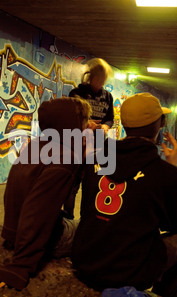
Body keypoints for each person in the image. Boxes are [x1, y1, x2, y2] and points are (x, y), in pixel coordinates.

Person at [71, 92, 177, 297]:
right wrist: (172, 171)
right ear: (161, 124)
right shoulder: (166, 173)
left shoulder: (95, 158)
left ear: (124, 124)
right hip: (131, 272)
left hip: (84, 261)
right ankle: (163, 296)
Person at [0, 97, 92, 290]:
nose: (86, 128)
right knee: (90, 227)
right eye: (83, 122)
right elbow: (37, 212)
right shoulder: (64, 158)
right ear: (72, 125)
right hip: (43, 238)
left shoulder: (38, 145)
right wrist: (20, 265)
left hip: (14, 230)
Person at [64, 58, 114, 216]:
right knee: (73, 183)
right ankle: (69, 217)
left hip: (98, 144)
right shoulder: (77, 94)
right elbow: (70, 116)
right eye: (98, 79)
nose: (100, 83)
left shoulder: (108, 97)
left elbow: (110, 118)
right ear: (91, 77)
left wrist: (105, 126)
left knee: (92, 184)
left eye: (103, 80)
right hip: (79, 144)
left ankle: (87, 218)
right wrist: (86, 123)